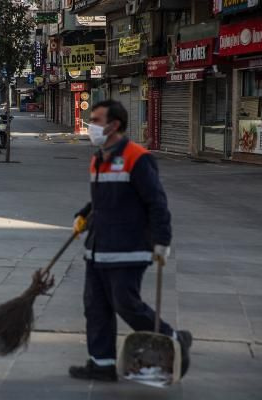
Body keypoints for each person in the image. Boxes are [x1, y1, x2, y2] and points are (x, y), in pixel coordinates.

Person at [68, 100, 192, 382]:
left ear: (114, 125)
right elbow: (103, 199)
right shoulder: (99, 158)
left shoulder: (138, 157)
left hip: (128, 248)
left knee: (126, 305)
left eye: (97, 120)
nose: (92, 125)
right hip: (98, 248)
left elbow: (156, 202)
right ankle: (101, 364)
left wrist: (161, 242)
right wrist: (84, 215)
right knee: (95, 308)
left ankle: (175, 339)